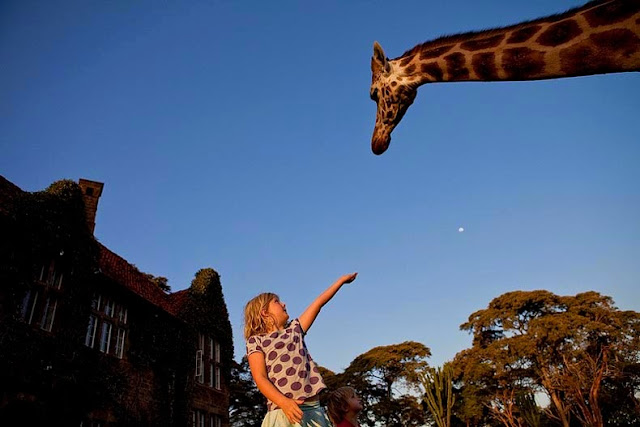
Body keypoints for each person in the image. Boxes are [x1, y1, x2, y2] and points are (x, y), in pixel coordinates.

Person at [244, 272, 358, 427]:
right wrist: (283, 402)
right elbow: (260, 377)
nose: (284, 304)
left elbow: (318, 304)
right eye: (277, 302)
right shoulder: (256, 341)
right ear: (264, 312)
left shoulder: (295, 329)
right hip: (282, 411)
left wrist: (340, 281)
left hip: (313, 411)